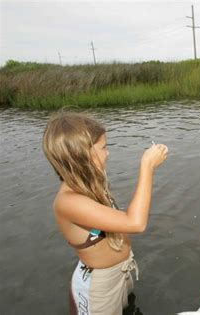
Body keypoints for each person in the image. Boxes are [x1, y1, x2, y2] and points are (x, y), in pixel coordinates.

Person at [42, 111, 168, 314]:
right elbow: (136, 223)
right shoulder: (69, 202)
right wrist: (147, 167)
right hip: (99, 288)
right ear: (82, 155)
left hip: (121, 271)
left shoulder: (90, 183)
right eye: (103, 147)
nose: (108, 153)